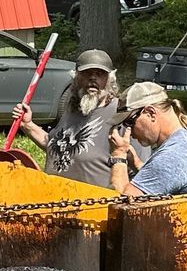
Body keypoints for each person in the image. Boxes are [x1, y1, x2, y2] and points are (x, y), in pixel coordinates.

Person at [10, 49, 120, 187]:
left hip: (94, 203)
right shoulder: (73, 107)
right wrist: (28, 125)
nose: (93, 78)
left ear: (110, 79)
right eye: (86, 73)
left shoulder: (119, 114)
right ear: (76, 77)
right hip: (56, 198)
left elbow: (137, 170)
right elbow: (55, 146)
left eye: (99, 74)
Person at [109, 81, 187, 197]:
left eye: (129, 122)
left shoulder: (175, 153)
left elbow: (122, 208)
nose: (129, 131)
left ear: (150, 113)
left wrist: (118, 155)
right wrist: (136, 163)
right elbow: (170, 177)